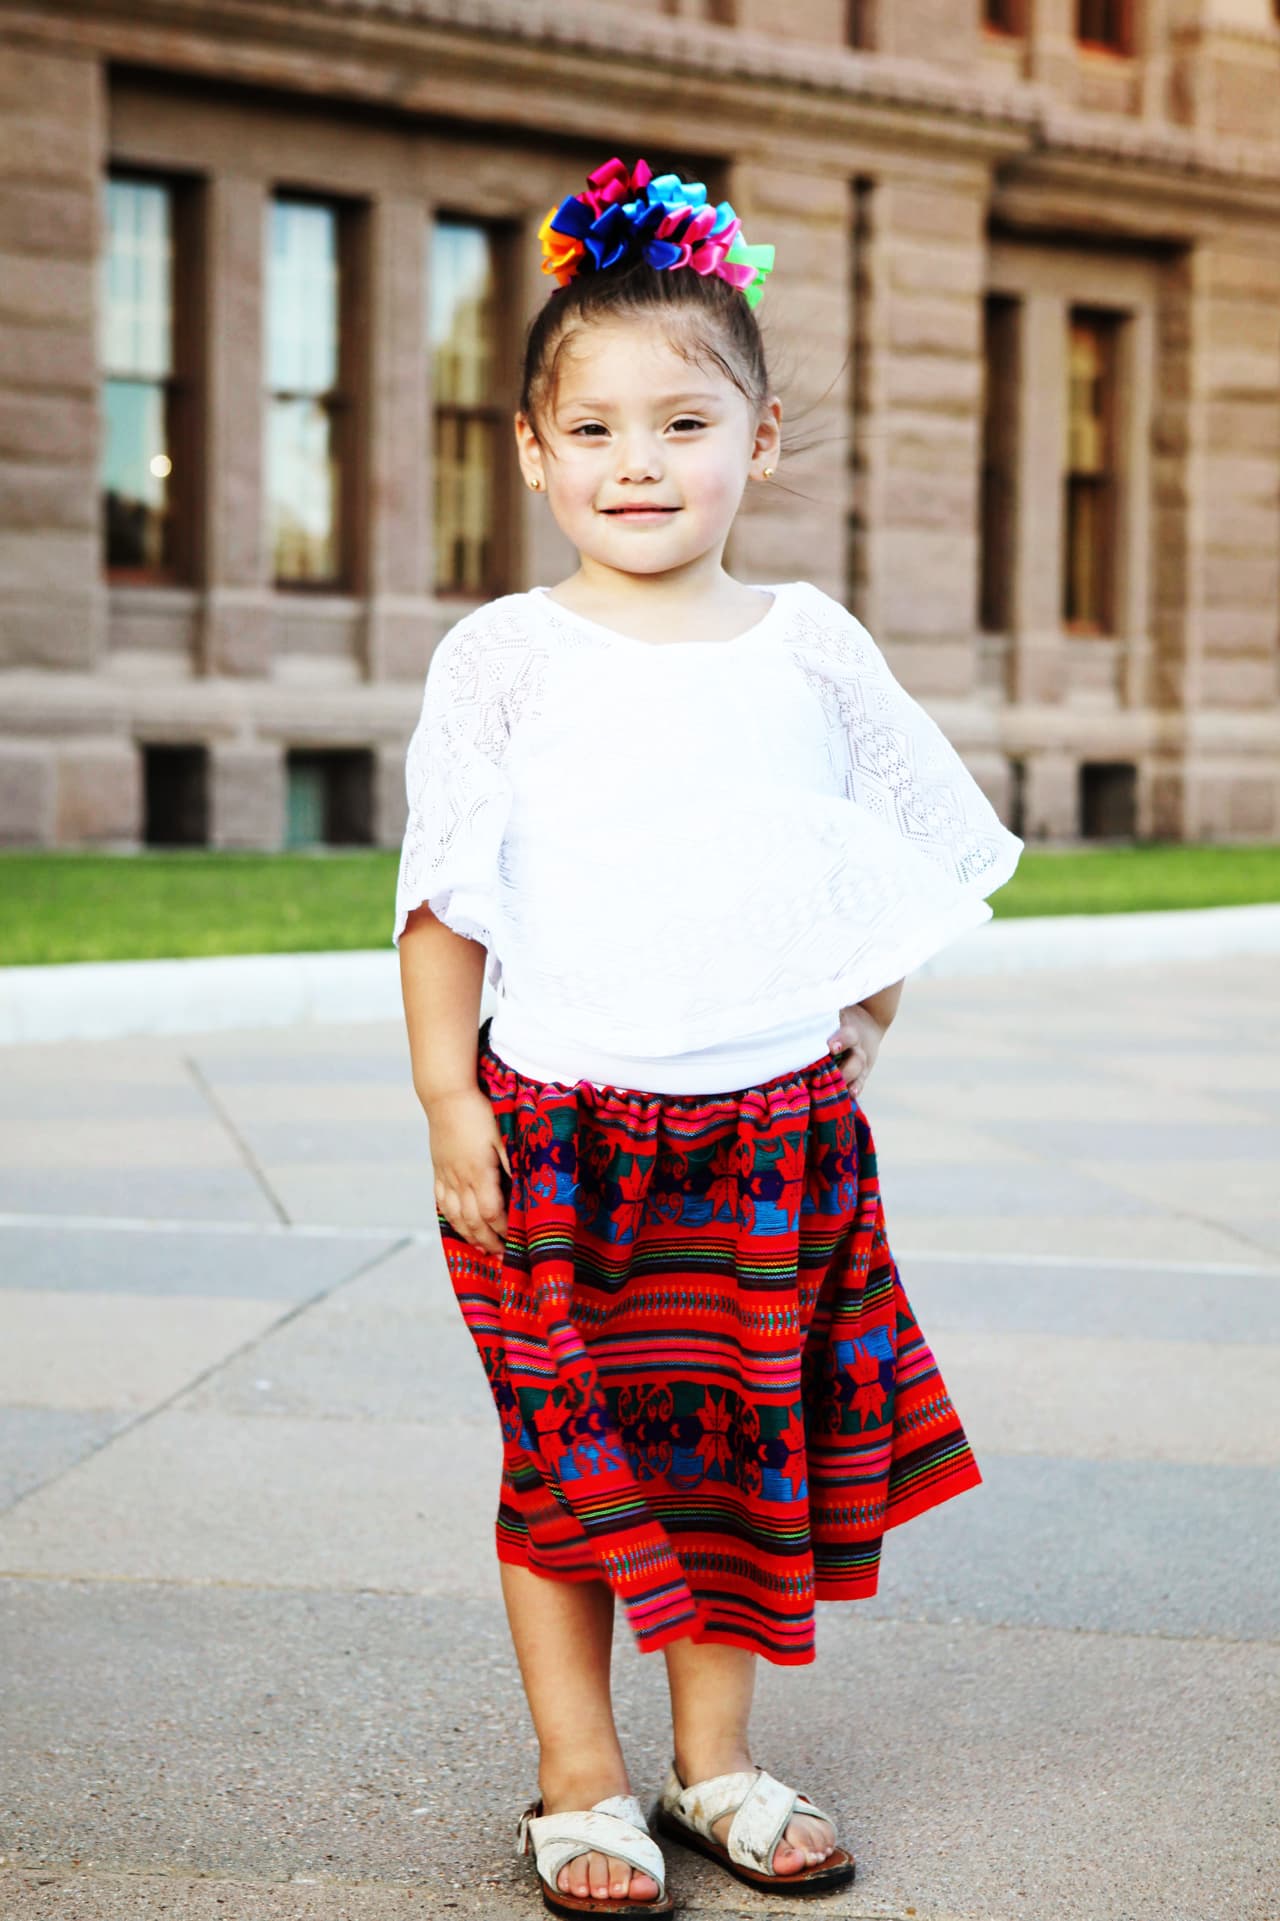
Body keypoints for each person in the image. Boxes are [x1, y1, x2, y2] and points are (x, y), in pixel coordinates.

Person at [395, 156, 1023, 1919]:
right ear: (531, 452)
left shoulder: (806, 646)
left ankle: (718, 1761)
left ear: (758, 440)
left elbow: (894, 854)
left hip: (768, 1134)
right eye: (591, 432)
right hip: (562, 1129)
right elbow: (446, 897)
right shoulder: (505, 657)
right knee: (570, 1464)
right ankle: (577, 1779)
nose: (638, 465)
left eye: (682, 422)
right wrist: (450, 1096)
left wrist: (855, 1023)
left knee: (735, 1460)